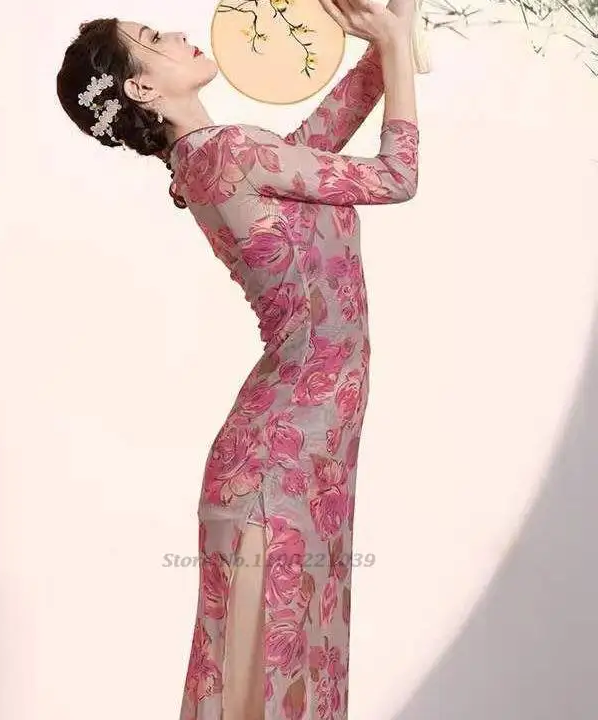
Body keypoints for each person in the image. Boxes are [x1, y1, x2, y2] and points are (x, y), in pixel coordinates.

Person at [56, 0, 418, 717]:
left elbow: (339, 115)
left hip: (293, 449)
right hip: (283, 461)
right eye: (153, 38)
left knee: (280, 679)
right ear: (142, 88)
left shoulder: (212, 159)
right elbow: (396, 176)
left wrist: (393, 30)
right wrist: (397, 48)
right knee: (276, 683)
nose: (178, 34)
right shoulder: (228, 152)